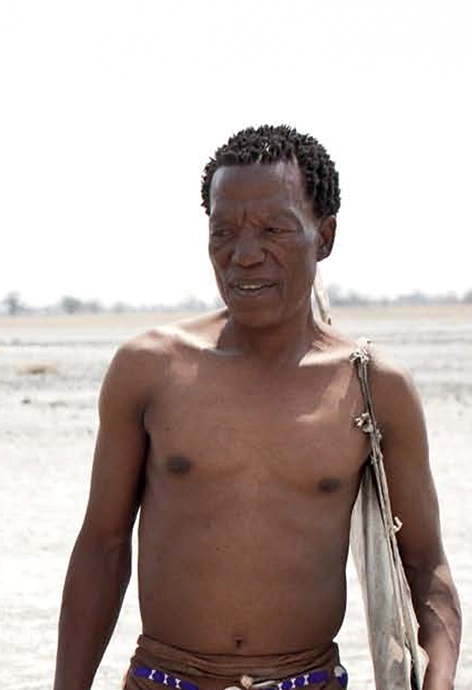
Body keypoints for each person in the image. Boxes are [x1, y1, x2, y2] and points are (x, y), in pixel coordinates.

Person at [53, 124, 461, 690]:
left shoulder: (372, 387)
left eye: (274, 229)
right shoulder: (150, 369)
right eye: (224, 231)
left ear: (325, 236)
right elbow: (102, 545)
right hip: (164, 680)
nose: (244, 255)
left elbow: (425, 566)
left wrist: (438, 679)